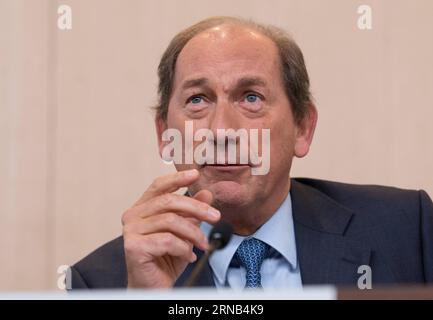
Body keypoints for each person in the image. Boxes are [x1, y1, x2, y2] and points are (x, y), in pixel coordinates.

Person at [69, 16, 433, 290]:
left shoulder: (406, 230)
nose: (222, 130)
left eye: (251, 98)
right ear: (165, 135)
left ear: (303, 128)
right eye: (198, 100)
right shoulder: (102, 282)